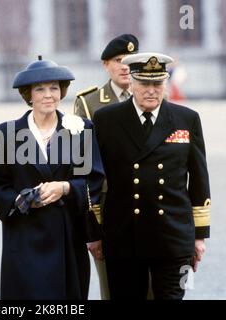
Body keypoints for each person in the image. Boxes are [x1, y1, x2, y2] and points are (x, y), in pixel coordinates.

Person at [0, 56, 105, 299]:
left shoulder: (80, 129)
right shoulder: (6, 133)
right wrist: (20, 199)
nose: (48, 95)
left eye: (54, 88)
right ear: (28, 95)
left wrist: (66, 187)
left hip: (67, 236)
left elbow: (94, 179)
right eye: (40, 89)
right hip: (24, 235)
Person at [93, 52, 211, 300]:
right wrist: (93, 232)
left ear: (165, 83)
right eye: (144, 83)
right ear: (132, 82)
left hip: (174, 236)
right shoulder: (107, 120)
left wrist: (199, 235)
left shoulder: (186, 119)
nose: (151, 90)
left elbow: (199, 180)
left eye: (157, 83)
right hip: (123, 235)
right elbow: (92, 180)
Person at [74, 33, 139, 300]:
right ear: (105, 65)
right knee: (112, 289)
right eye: (118, 60)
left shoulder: (153, 96)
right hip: (109, 211)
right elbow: (82, 167)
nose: (125, 67)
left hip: (148, 211)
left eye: (130, 61)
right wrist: (91, 226)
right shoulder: (89, 104)